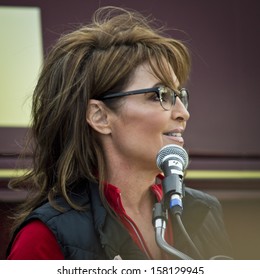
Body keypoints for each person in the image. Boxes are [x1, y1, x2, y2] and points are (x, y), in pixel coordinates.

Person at [6, 6, 232, 260]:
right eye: (160, 95)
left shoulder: (204, 212)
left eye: (180, 96)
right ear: (99, 117)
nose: (183, 112)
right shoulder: (44, 236)